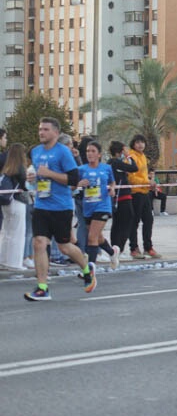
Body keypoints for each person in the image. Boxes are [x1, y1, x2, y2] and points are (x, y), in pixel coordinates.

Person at [24, 117, 95, 301]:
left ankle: (87, 270)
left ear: (56, 133)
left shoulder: (63, 152)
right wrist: (34, 178)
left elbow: (73, 179)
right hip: (41, 205)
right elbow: (40, 175)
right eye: (40, 129)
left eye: (46, 129)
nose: (41, 132)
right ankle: (42, 287)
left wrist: (49, 174)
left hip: (61, 207)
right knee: (39, 243)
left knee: (64, 247)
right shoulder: (36, 152)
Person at [77, 141, 121, 269]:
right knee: (98, 237)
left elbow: (112, 182)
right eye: (88, 151)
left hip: (103, 206)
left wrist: (112, 189)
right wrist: (79, 184)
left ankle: (90, 270)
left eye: (93, 151)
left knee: (92, 237)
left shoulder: (106, 168)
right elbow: (72, 184)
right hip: (88, 206)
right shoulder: (81, 169)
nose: (90, 154)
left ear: (99, 154)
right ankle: (112, 252)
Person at [126, 134, 159, 258]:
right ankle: (134, 248)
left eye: (142, 142)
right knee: (134, 222)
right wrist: (147, 182)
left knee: (149, 220)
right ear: (133, 144)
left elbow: (144, 175)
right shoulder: (131, 156)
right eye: (138, 142)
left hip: (145, 192)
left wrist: (150, 182)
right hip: (135, 193)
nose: (141, 145)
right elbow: (132, 178)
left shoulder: (143, 156)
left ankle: (148, 247)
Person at [0, 142, 29, 270]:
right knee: (18, 233)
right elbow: (25, 186)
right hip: (17, 202)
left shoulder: (7, 169)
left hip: (6, 202)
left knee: (6, 233)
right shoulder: (21, 169)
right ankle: (15, 263)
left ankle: (4, 260)